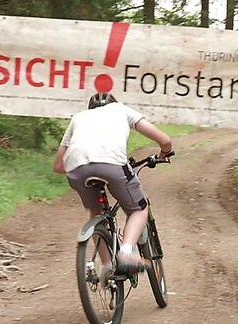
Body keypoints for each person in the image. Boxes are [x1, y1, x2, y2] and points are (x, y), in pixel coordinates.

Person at [53, 92, 172, 275]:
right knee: (138, 210)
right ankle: (126, 253)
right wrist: (164, 152)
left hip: (76, 169)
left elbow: (59, 166)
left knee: (95, 213)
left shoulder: (78, 118)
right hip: (112, 165)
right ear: (113, 102)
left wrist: (86, 165)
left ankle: (108, 266)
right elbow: (165, 140)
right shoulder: (120, 110)